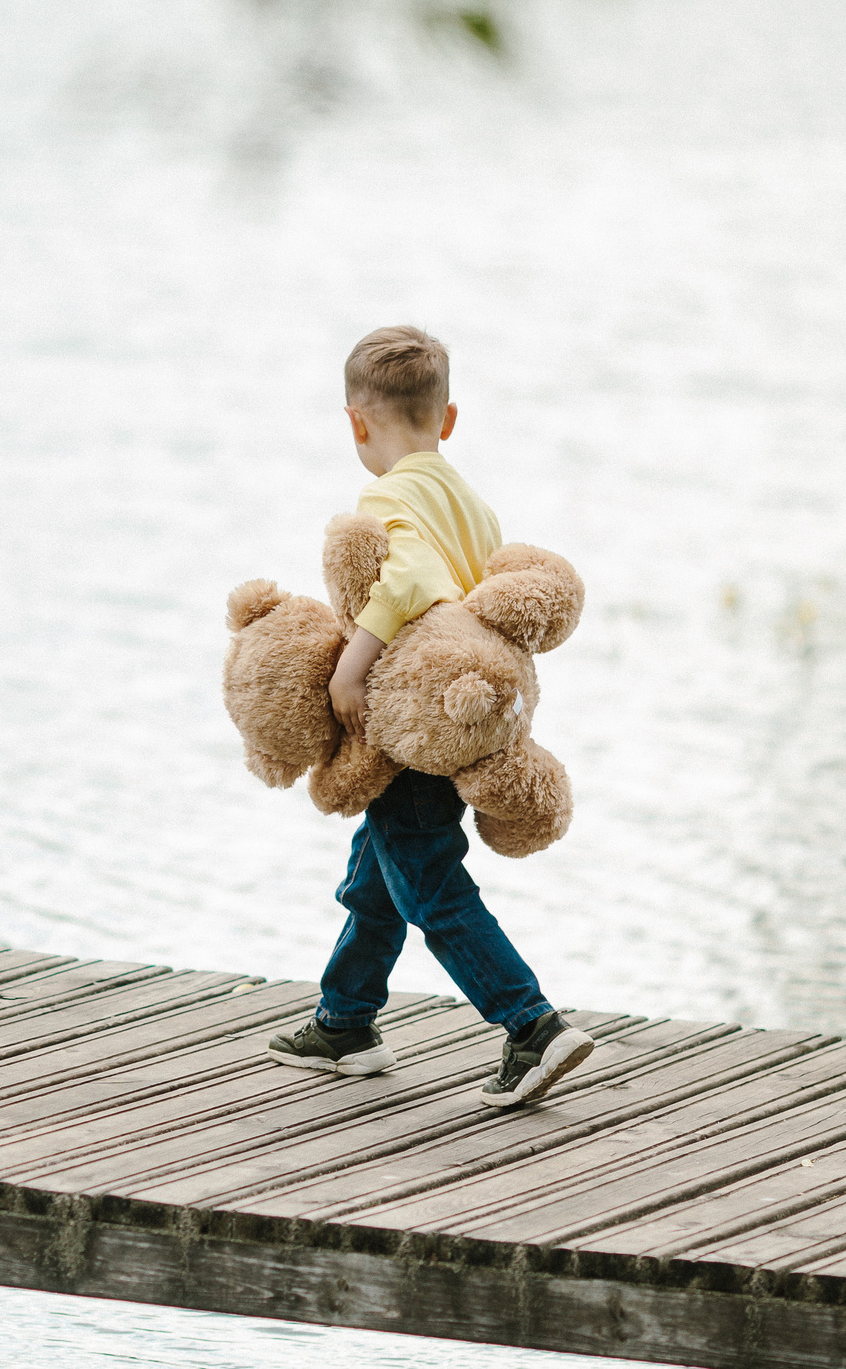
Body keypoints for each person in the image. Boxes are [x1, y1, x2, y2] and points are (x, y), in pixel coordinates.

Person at [264, 325, 594, 1108]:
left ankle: (531, 1023)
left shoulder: (387, 496)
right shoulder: (472, 505)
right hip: (452, 725)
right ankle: (345, 1022)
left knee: (429, 886)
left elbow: (408, 580)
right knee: (377, 877)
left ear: (356, 423)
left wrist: (352, 665)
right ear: (447, 419)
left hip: (412, 731)